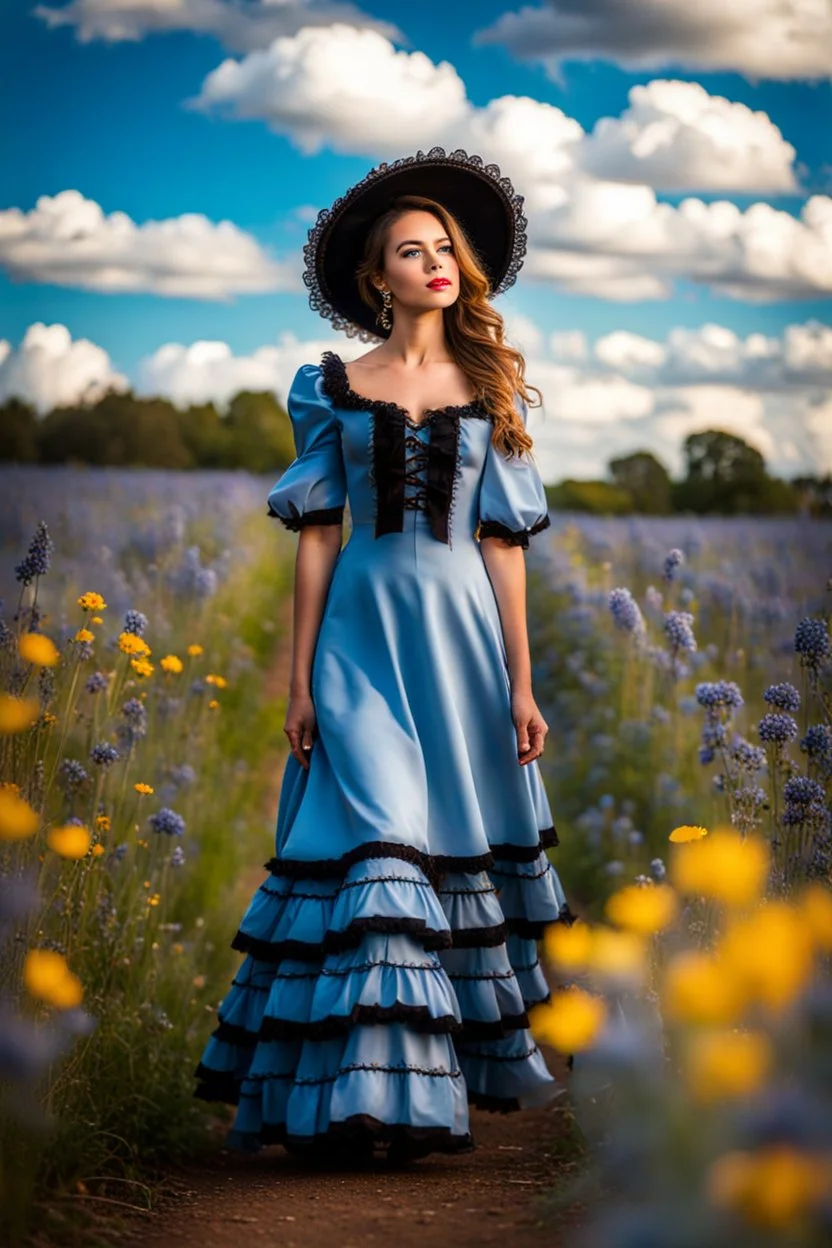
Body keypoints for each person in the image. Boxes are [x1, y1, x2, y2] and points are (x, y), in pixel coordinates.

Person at [194, 147, 575, 1163]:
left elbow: (503, 546)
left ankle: (399, 1097)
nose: (436, 263)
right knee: (378, 852)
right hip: (359, 644)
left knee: (442, 843)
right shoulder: (328, 387)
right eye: (413, 251)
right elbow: (319, 535)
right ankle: (359, 1103)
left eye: (445, 248)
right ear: (379, 279)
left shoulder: (492, 383)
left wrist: (522, 682)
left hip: (458, 648)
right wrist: (300, 675)